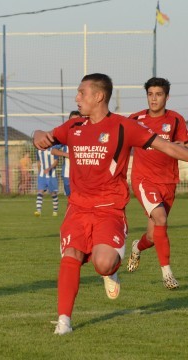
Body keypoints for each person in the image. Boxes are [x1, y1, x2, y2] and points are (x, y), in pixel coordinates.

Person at [33, 73, 188, 335]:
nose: (77, 97)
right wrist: (38, 134)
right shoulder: (73, 127)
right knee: (71, 255)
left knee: (102, 264)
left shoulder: (123, 127)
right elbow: (44, 135)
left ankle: (111, 271)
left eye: (82, 93)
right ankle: (64, 322)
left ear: (99, 96)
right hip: (78, 210)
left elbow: (169, 147)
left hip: (109, 211)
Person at [127, 77, 187, 290]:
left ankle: (137, 247)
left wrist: (181, 145)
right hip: (144, 180)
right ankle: (167, 274)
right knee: (161, 218)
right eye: (150, 94)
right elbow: (122, 145)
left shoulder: (176, 120)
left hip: (168, 181)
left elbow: (182, 146)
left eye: (158, 94)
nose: (154, 98)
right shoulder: (135, 119)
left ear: (167, 97)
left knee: (153, 235)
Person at [51, 111, 82, 196]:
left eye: (77, 120)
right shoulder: (66, 136)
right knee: (70, 199)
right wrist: (67, 155)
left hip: (82, 175)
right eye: (72, 121)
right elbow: (53, 151)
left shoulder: (85, 135)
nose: (75, 123)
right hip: (67, 174)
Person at [34, 147, 59, 217]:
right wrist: (39, 173)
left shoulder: (54, 149)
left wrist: (49, 168)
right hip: (42, 175)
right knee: (40, 191)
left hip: (52, 175)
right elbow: (38, 162)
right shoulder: (38, 150)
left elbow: (56, 161)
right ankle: (38, 211)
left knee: (53, 193)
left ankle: (55, 211)